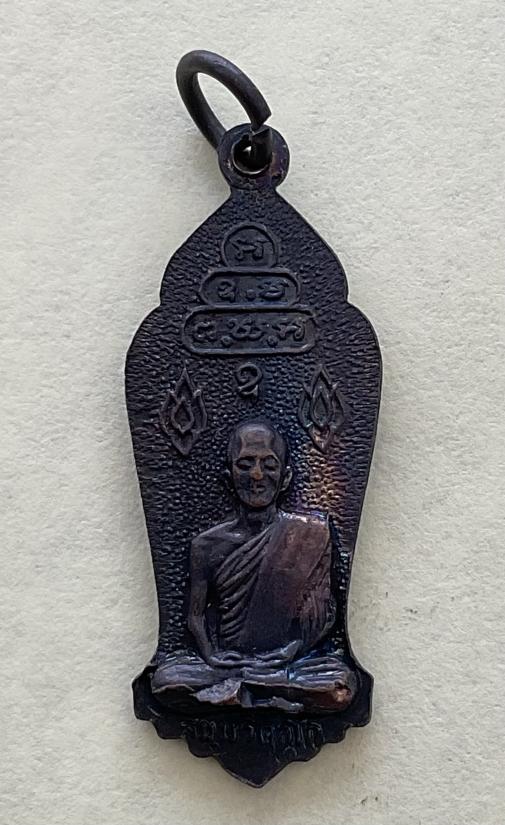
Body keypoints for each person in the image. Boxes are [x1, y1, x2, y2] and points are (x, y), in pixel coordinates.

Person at [152, 420, 357, 712]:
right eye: (245, 465)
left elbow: (323, 616)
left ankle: (244, 690)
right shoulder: (206, 545)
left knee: (339, 681)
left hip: (285, 661)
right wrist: (211, 655)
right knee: (165, 679)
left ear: (285, 478)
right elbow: (195, 616)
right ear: (229, 477)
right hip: (226, 663)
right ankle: (268, 692)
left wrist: (292, 651)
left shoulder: (310, 535)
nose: (257, 476)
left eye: (269, 465)